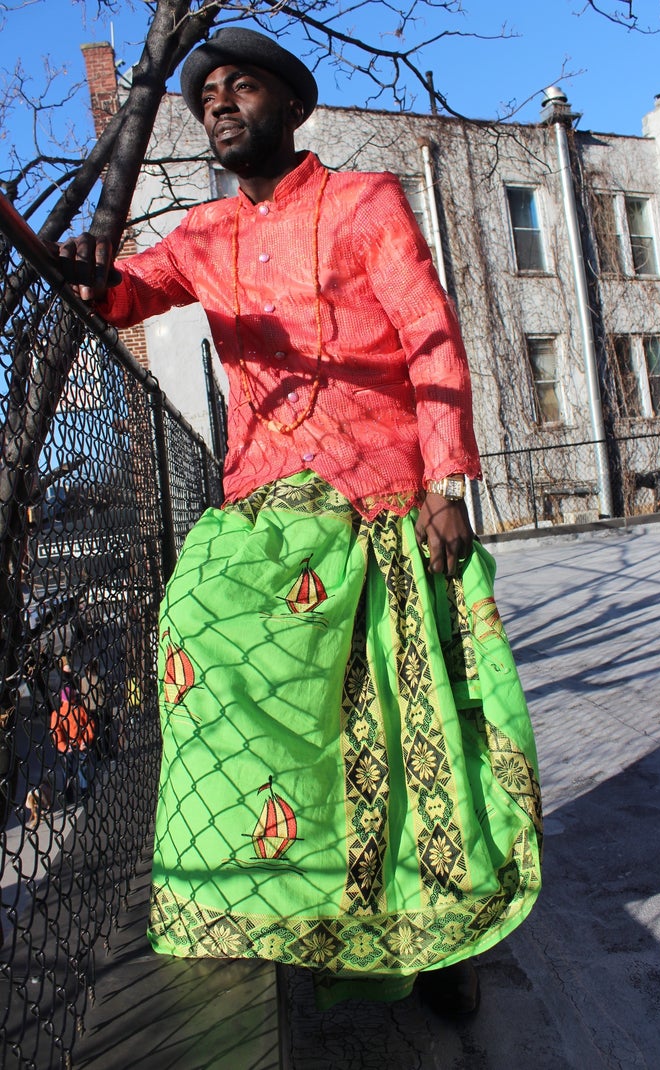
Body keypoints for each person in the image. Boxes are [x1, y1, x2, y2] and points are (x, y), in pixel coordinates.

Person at [58, 28, 542, 1014]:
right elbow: (126, 293)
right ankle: (283, 902)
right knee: (199, 635)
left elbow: (430, 337)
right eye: (207, 96)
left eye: (241, 87)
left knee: (406, 729)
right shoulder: (206, 235)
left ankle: (442, 941)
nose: (220, 104)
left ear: (292, 106)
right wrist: (87, 272)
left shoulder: (367, 203)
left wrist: (449, 481)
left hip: (386, 506)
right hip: (265, 513)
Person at [50, 660, 96, 802]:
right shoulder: (79, 710)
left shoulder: (57, 714)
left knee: (67, 772)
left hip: (67, 747)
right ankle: (84, 794)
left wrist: (63, 746)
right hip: (79, 743)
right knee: (82, 771)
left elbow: (55, 732)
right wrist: (85, 741)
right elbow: (90, 725)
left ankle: (68, 796)